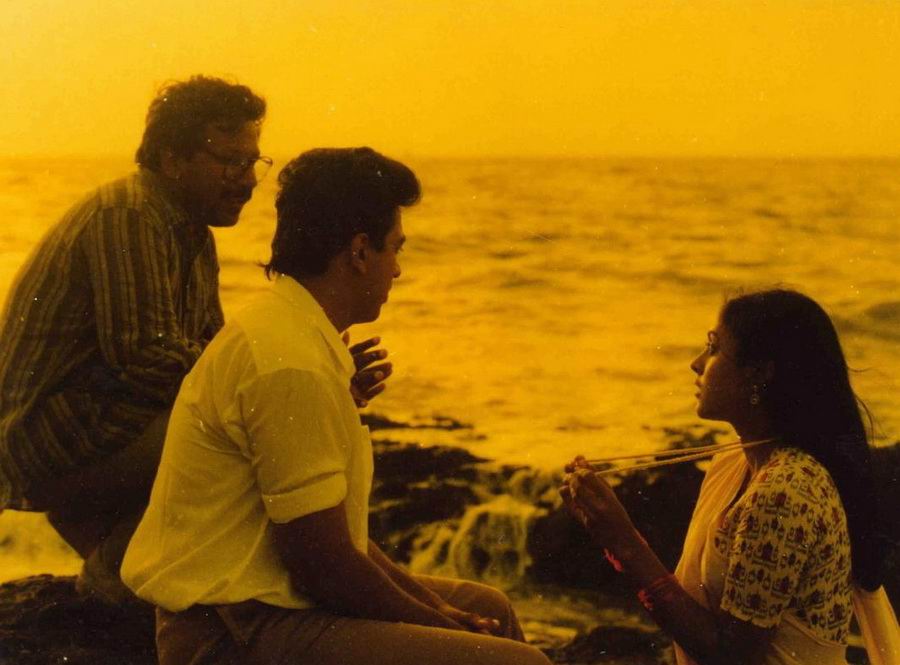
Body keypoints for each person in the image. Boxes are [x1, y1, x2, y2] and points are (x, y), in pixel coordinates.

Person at [121, 147, 552, 665]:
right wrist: (438, 622)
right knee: (516, 662)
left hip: (266, 604)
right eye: (395, 249)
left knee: (488, 608)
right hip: (230, 631)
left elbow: (334, 538)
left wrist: (439, 610)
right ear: (359, 252)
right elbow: (322, 565)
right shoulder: (290, 363)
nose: (398, 270)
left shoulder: (296, 333)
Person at [0, 76, 388, 605]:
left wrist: (322, 378)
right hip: (50, 436)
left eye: (253, 162)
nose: (247, 181)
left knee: (257, 422)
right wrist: (286, 388)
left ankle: (120, 561)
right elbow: (145, 357)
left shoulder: (187, 229)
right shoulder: (131, 215)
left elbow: (217, 354)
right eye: (229, 162)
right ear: (171, 158)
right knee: (249, 437)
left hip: (95, 427)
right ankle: (118, 574)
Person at [561, 289, 896, 665]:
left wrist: (622, 540)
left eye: (713, 348)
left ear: (759, 374)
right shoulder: (736, 462)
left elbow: (733, 658)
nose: (696, 363)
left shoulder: (786, 490)